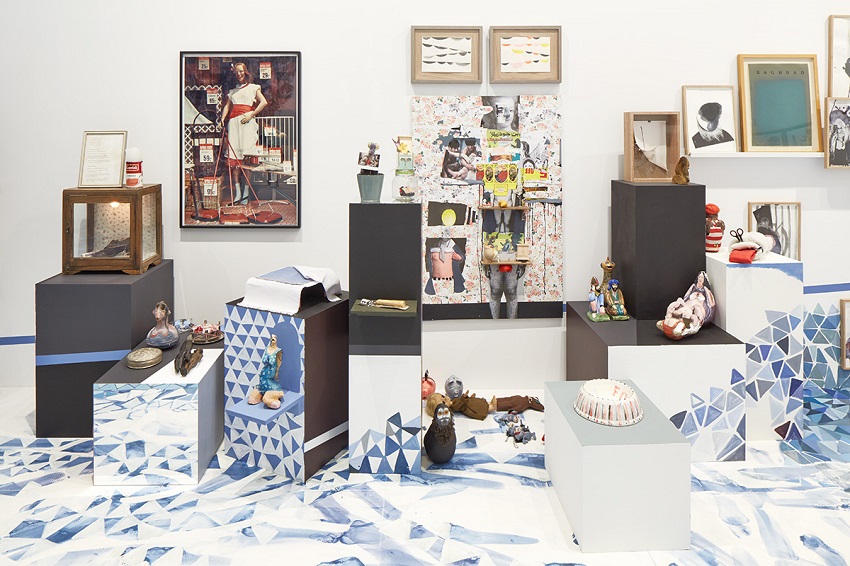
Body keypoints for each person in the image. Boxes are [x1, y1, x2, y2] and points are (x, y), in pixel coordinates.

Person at [220, 62, 268, 204]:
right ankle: (238, 192)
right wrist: (222, 118)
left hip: (247, 123)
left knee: (246, 159)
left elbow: (264, 102)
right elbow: (227, 106)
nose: (239, 74)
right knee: (235, 160)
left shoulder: (253, 88)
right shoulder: (233, 92)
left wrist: (252, 114)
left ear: (245, 72)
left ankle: (246, 191)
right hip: (234, 124)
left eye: (241, 71)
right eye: (236, 72)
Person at [657, 271, 716, 340]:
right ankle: (669, 318)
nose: (700, 278)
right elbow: (686, 296)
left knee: (693, 310)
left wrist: (706, 291)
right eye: (699, 277)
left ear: (704, 280)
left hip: (697, 309)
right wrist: (682, 302)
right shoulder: (693, 287)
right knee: (678, 303)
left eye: (702, 277)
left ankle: (685, 324)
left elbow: (711, 304)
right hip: (687, 306)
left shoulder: (705, 290)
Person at [248, 335, 285, 409]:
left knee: (268, 400)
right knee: (251, 399)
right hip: (263, 375)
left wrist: (276, 374)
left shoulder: (278, 351)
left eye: (274, 338)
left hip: (270, 377)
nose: (272, 339)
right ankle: (262, 393)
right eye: (271, 338)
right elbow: (264, 360)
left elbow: (278, 364)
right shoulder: (267, 349)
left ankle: (271, 397)